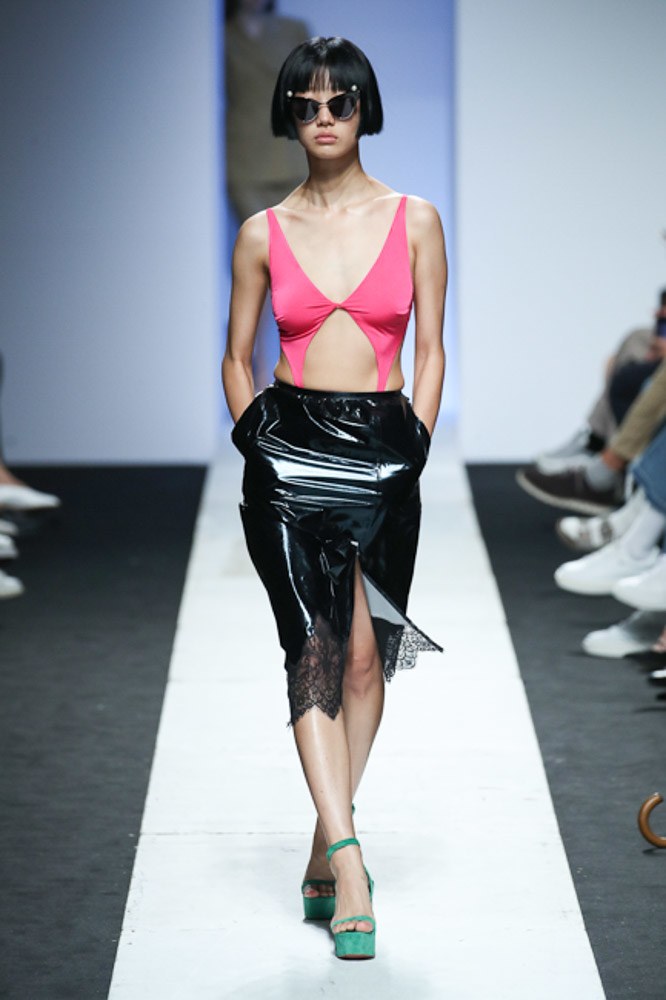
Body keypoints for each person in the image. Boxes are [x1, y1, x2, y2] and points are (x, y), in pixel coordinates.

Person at [221, 36, 447, 960]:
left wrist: (415, 445)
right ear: (289, 116)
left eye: (339, 103)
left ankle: (324, 837)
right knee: (311, 651)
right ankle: (350, 864)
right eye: (306, 105)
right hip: (290, 453)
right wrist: (260, 446)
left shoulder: (416, 219)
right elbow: (236, 357)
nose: (323, 119)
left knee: (363, 661)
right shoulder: (262, 233)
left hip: (385, 452)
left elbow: (431, 348)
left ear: (364, 110)